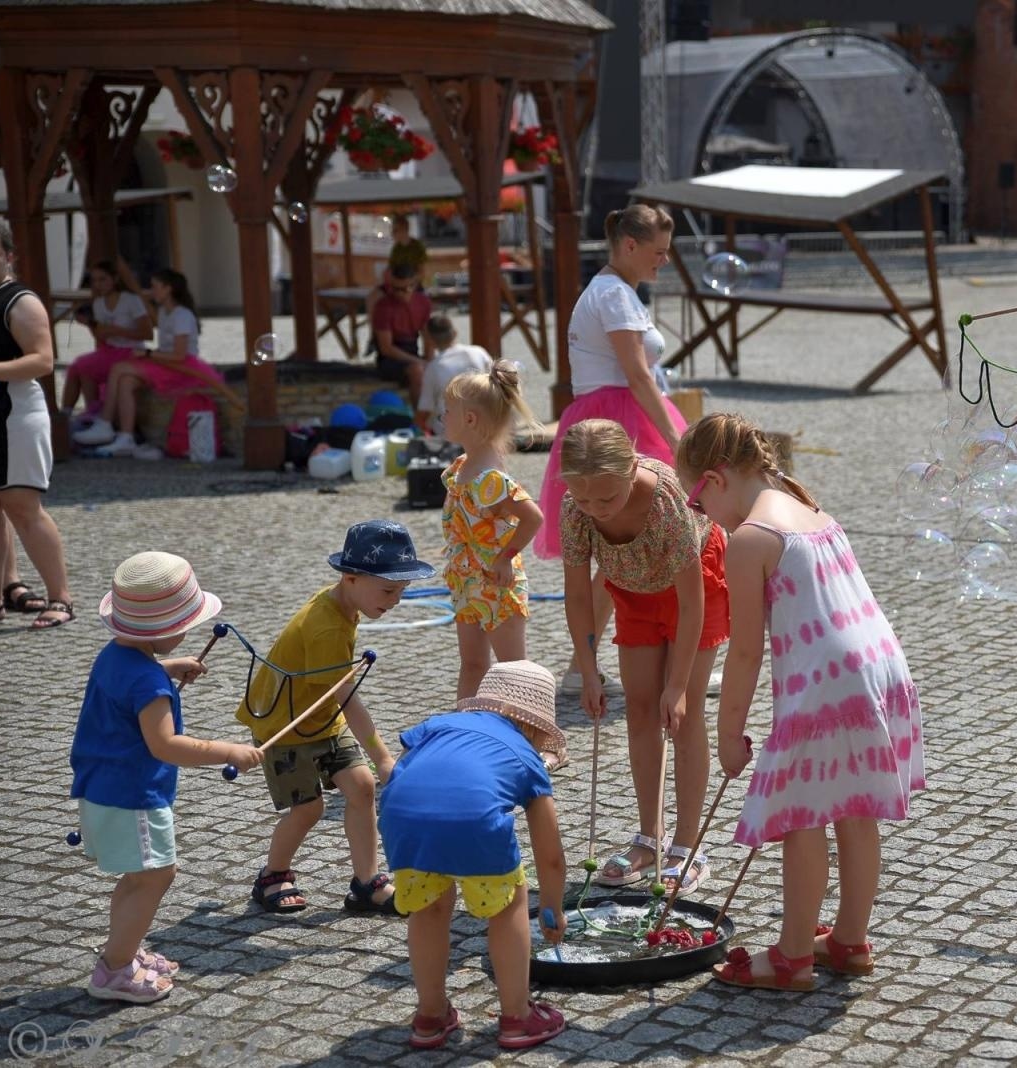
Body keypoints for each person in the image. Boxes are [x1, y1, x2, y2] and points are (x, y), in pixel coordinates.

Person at [677, 413, 924, 990]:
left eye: (695, 501)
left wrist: (726, 733)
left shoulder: (750, 539)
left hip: (825, 685)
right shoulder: (814, 510)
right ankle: (849, 939)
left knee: (802, 817)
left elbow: (743, 653)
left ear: (714, 479)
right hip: (878, 670)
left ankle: (792, 957)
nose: (701, 515)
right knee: (856, 810)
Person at [71, 551, 263, 1002]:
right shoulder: (148, 685)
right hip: (133, 794)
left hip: (102, 786)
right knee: (157, 874)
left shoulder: (116, 658)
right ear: (163, 629)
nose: (186, 633)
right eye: (183, 625)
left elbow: (130, 680)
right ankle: (114, 971)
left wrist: (165, 668)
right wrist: (228, 751)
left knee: (139, 877)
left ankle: (122, 950)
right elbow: (165, 745)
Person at [559, 419, 727, 895]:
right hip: (632, 590)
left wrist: (676, 685)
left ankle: (687, 845)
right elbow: (577, 597)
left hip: (692, 591)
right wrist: (588, 669)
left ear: (632, 470)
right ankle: (649, 837)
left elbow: (692, 601)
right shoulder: (576, 507)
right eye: (584, 499)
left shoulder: (663, 502)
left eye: (606, 500)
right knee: (638, 709)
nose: (596, 510)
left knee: (682, 712)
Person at [236, 520, 435, 914]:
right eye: (388, 589)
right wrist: (382, 757)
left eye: (402, 590)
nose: (395, 599)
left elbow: (337, 697)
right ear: (350, 578)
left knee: (361, 789)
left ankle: (367, 884)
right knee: (308, 808)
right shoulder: (326, 626)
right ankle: (272, 876)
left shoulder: (345, 602)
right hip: (287, 727)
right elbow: (347, 697)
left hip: (324, 717)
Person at [535, 205, 688, 692]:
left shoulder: (613, 290)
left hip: (610, 411)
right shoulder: (615, 296)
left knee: (620, 547)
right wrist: (678, 440)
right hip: (620, 417)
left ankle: (590, 660)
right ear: (629, 246)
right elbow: (639, 377)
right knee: (632, 540)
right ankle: (602, 660)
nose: (663, 261)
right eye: (658, 252)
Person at [378, 659, 568, 1051]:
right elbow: (549, 852)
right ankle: (517, 1016)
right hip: (473, 822)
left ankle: (430, 1015)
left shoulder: (440, 724)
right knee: (508, 904)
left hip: (402, 814)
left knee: (428, 908)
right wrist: (551, 907)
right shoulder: (528, 757)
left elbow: (406, 767)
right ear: (534, 727)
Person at [440, 363, 547, 715]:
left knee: (514, 670)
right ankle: (460, 732)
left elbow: (533, 517)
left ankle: (535, 739)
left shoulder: (490, 478)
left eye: (447, 411)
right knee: (472, 664)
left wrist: (504, 557)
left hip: (498, 588)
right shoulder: (461, 466)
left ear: (470, 419)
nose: (442, 416)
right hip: (467, 583)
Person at [0, 218, 77, 629]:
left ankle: (61, 597)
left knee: (23, 507)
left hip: (15, 418)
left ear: (8, 256)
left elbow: (42, 360)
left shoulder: (19, 301)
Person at [73, 268, 222, 460]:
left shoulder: (182, 315)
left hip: (182, 367)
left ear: (168, 289)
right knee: (126, 380)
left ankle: (105, 423)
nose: (151, 291)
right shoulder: (164, 312)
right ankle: (126, 436)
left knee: (119, 368)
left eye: (155, 287)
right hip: (167, 362)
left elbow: (179, 355)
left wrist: (149, 353)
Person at [62, 260, 151, 425]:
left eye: (103, 279)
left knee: (83, 365)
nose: (98, 284)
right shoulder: (98, 303)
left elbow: (148, 333)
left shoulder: (131, 300)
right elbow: (101, 336)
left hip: (131, 351)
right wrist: (90, 323)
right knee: (80, 367)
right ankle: (72, 414)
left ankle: (90, 413)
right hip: (109, 349)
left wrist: (118, 330)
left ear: (115, 279)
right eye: (95, 280)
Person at [416, 314, 493, 437]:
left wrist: (415, 428)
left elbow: (424, 410)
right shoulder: (479, 352)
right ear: (455, 333)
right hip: (483, 428)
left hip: (450, 434)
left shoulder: (434, 367)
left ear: (429, 340)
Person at [371, 263, 433, 408]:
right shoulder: (383, 306)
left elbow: (428, 336)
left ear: (414, 284)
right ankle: (420, 417)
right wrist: (420, 362)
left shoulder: (423, 302)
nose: (400, 293)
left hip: (412, 349)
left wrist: (430, 361)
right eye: (395, 289)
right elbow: (386, 348)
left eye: (405, 288)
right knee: (417, 371)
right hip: (390, 358)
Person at [366, 214, 429, 323]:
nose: (392, 234)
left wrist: (405, 283)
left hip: (411, 285)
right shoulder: (396, 249)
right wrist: (392, 280)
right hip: (396, 284)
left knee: (406, 302)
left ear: (405, 230)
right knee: (372, 298)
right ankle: (376, 333)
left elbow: (421, 273)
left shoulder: (417, 247)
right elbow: (390, 270)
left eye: (395, 230)